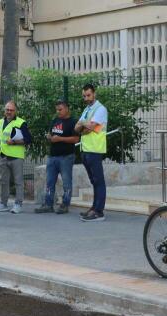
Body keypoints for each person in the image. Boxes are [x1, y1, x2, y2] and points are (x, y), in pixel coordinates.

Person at [35, 100, 80, 214]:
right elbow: (51, 134)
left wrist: (60, 139)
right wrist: (49, 137)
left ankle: (65, 204)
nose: (58, 111)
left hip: (66, 156)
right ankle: (48, 204)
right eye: (57, 109)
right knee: (50, 181)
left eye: (60, 109)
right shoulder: (55, 120)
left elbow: (76, 139)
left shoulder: (73, 122)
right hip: (52, 156)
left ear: (66, 109)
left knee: (66, 182)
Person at [0, 101, 32, 214]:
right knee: (3, 181)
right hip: (3, 156)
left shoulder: (21, 123)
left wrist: (14, 142)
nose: (9, 112)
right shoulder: (0, 122)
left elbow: (28, 139)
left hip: (16, 157)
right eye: (7, 110)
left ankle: (18, 204)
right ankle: (3, 203)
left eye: (11, 110)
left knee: (18, 181)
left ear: (15, 111)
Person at [75, 83, 108, 222]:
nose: (86, 98)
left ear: (94, 94)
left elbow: (90, 127)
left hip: (95, 149)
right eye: (84, 96)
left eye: (88, 95)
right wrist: (83, 123)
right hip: (86, 149)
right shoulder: (87, 109)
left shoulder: (100, 109)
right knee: (94, 181)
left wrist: (83, 123)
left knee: (99, 181)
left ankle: (99, 211)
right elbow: (77, 128)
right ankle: (94, 208)